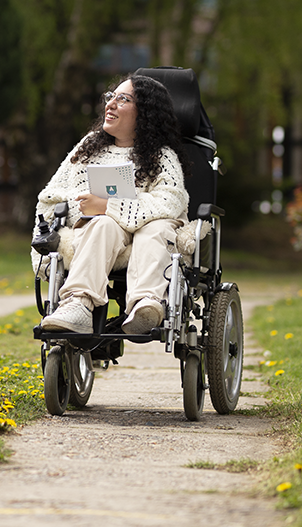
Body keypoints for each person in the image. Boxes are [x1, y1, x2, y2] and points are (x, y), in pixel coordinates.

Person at [37, 73, 188, 336]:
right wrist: (88, 207)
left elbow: (172, 200)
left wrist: (109, 206)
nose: (111, 104)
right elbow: (52, 197)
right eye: (111, 97)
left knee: (156, 228)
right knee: (103, 224)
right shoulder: (88, 149)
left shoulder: (163, 156)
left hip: (148, 235)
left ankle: (145, 304)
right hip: (100, 232)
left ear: (145, 114)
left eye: (123, 99)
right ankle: (78, 303)